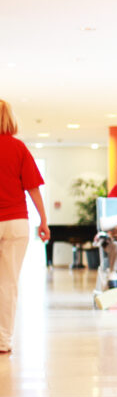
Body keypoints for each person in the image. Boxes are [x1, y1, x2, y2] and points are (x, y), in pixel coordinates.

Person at [0, 99, 50, 354]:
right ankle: (3, 340)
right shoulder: (18, 147)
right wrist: (43, 220)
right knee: (8, 283)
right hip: (16, 223)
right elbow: (33, 187)